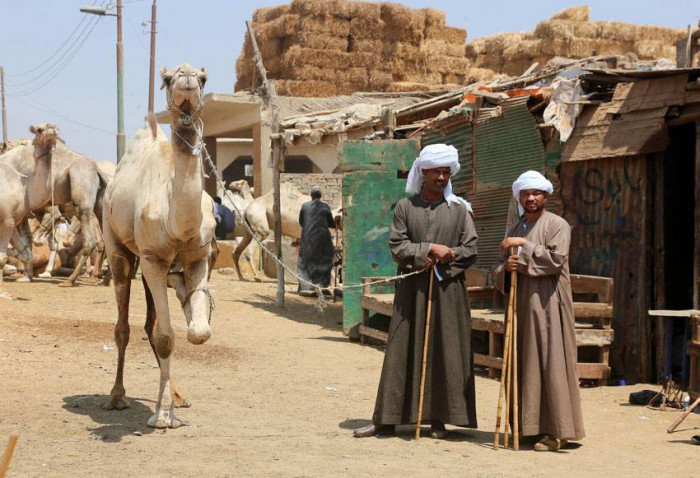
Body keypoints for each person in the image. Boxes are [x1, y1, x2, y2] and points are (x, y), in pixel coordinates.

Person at [353, 143, 478, 439]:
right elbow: (398, 246)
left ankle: (439, 419)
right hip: (412, 290)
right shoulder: (405, 207)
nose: (441, 177)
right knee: (401, 348)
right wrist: (427, 250)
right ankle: (387, 419)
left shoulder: (461, 210)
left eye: (446, 172)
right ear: (423, 172)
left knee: (445, 349)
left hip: (448, 290)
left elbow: (471, 248)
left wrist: (448, 256)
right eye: (436, 171)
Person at [494, 170, 585, 452]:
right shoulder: (515, 228)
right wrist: (505, 271)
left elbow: (556, 260)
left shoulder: (557, 225)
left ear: (546, 195)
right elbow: (498, 267)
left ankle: (557, 431)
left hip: (548, 306)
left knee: (551, 362)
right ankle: (527, 427)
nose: (531, 198)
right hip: (520, 305)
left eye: (536, 193)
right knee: (523, 362)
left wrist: (523, 247)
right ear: (520, 197)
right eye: (526, 194)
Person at [297, 186, 336, 294]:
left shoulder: (304, 206)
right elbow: (331, 224)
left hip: (307, 239)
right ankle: (322, 286)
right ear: (321, 196)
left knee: (304, 261)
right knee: (325, 260)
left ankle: (305, 288)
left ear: (311, 196)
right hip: (323, 240)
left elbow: (301, 222)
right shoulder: (325, 207)